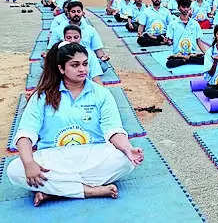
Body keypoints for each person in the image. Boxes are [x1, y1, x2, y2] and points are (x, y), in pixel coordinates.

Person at [7, 42, 143, 206]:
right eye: (75, 65)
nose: (82, 69)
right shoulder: (42, 96)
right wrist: (29, 164)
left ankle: (56, 191)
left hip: (91, 155)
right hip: (54, 158)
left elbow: (114, 130)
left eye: (85, 64)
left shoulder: (101, 93)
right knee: (15, 170)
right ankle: (89, 190)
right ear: (61, 68)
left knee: (125, 160)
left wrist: (128, 149)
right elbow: (25, 135)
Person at [47, 1, 109, 67]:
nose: (76, 14)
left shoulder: (90, 29)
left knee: (104, 65)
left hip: (86, 60)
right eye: (73, 12)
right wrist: (46, 55)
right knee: (44, 63)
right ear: (68, 13)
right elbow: (51, 49)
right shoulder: (58, 29)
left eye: (78, 11)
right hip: (66, 60)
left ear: (82, 13)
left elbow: (97, 49)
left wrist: (102, 57)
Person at [165, 0, 210, 68]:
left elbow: (199, 41)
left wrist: (207, 54)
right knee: (169, 63)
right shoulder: (172, 24)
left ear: (190, 8)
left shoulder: (195, 23)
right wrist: (168, 41)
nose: (185, 9)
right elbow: (170, 42)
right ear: (178, 8)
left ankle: (185, 60)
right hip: (178, 55)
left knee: (207, 60)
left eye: (187, 7)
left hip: (192, 54)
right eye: (183, 7)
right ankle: (187, 59)